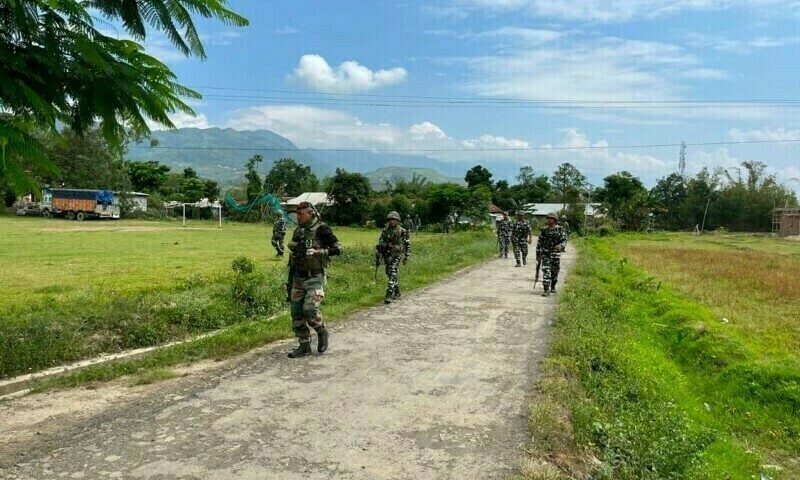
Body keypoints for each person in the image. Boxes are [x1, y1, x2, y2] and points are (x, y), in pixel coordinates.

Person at [286, 201, 341, 358]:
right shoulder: (299, 231)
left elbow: (338, 248)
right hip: (298, 277)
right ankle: (304, 345)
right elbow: (294, 251)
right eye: (296, 214)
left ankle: (321, 331)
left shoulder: (322, 229)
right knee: (296, 312)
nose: (298, 217)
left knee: (309, 309)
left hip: (314, 276)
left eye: (300, 214)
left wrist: (320, 252)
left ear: (310, 214)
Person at [377, 211, 411, 304]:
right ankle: (397, 291)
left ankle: (388, 295)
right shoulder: (385, 230)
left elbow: (407, 244)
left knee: (392, 272)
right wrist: (379, 250)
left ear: (397, 221)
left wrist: (406, 256)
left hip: (397, 254)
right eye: (390, 220)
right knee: (388, 273)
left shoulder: (402, 231)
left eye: (394, 220)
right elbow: (380, 242)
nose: (391, 221)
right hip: (387, 255)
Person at [536, 212, 567, 297]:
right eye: (548, 218)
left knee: (554, 272)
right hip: (545, 254)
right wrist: (538, 255)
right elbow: (539, 242)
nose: (548, 220)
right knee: (546, 270)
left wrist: (561, 245)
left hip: (555, 255)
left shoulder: (560, 229)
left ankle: (553, 285)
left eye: (551, 218)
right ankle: (546, 289)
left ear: (555, 220)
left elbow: (564, 240)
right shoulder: (544, 229)